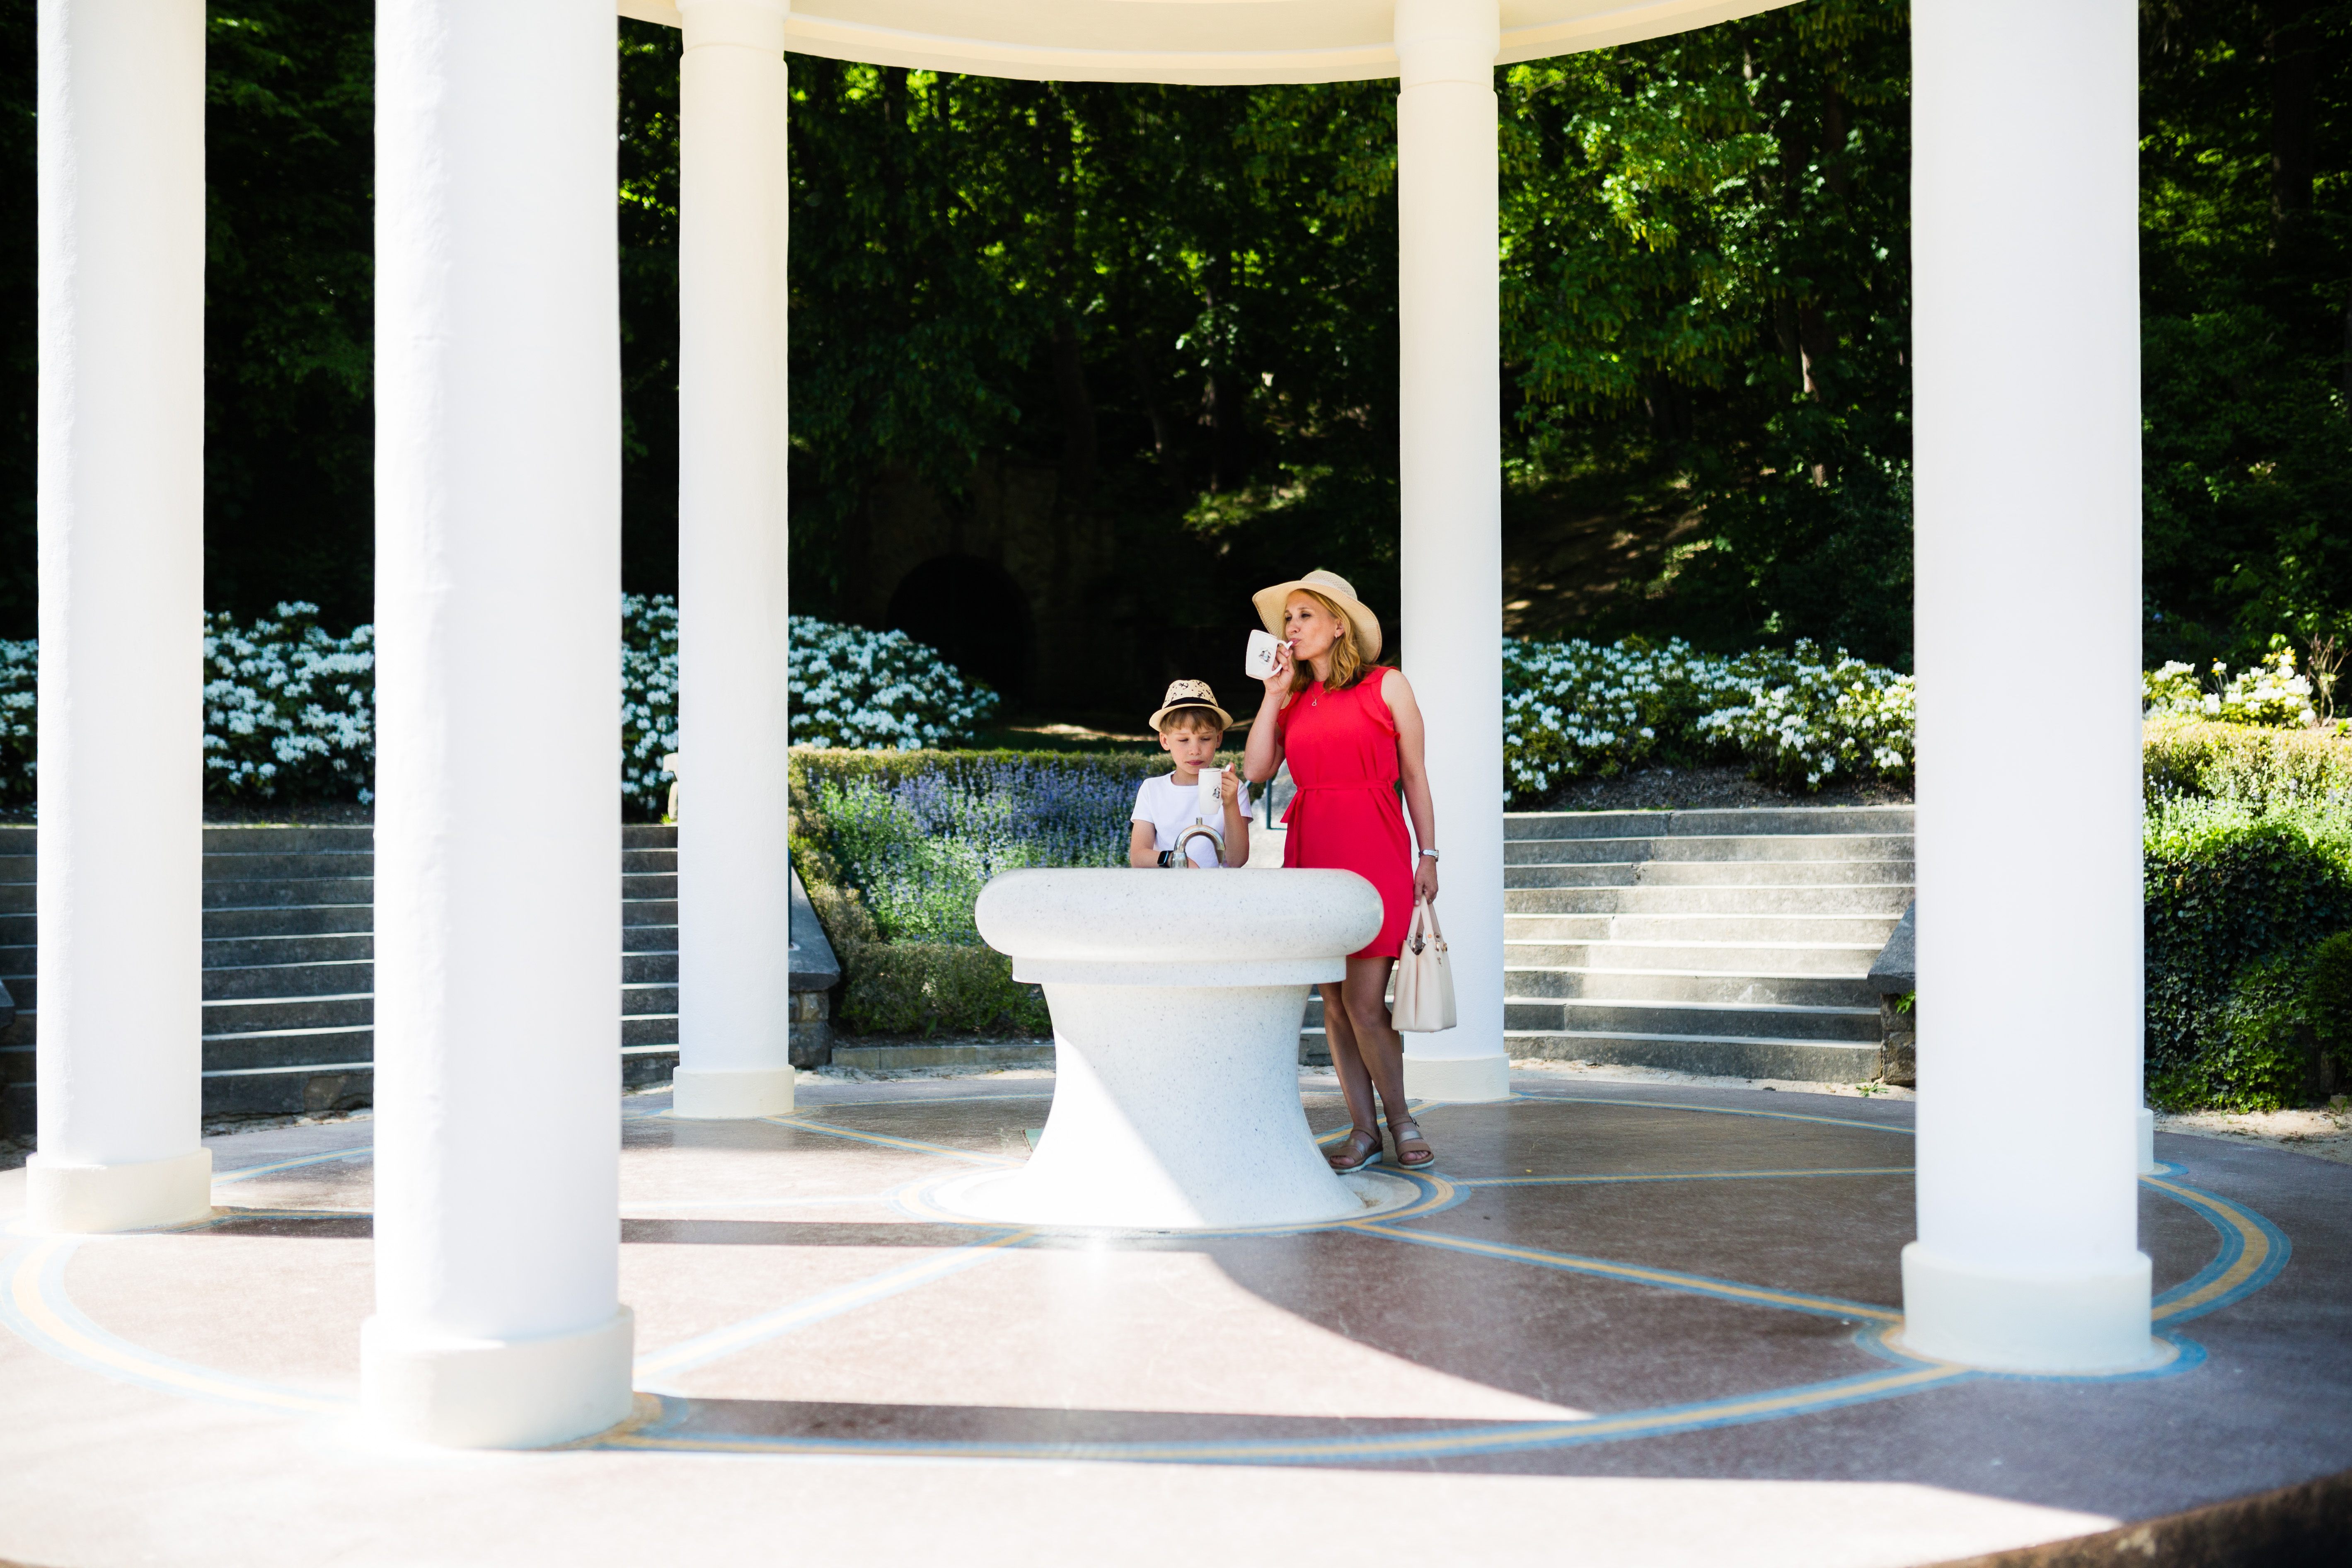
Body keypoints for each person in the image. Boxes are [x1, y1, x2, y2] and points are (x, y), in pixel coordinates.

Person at [1241, 570, 1439, 1171]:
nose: (1292, 627)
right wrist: (1272, 694)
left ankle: (1401, 1121)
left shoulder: (1388, 685)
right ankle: (1364, 1130)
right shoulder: (1292, 697)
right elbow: (1256, 770)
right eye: (1288, 618)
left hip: (1375, 848)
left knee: (1364, 1002)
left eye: (1305, 615)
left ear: (1338, 625)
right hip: (1313, 851)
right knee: (1333, 1003)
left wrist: (1429, 854)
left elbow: (1414, 774)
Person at [1130, 680, 1253, 869]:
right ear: (1165, 741)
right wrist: (1177, 860)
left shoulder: (1232, 789)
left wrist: (1230, 804)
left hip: (1219, 886)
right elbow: (1138, 857)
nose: (1195, 750)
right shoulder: (1152, 789)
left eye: (1205, 738)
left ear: (1218, 738)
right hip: (1170, 886)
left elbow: (1237, 860)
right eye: (1183, 740)